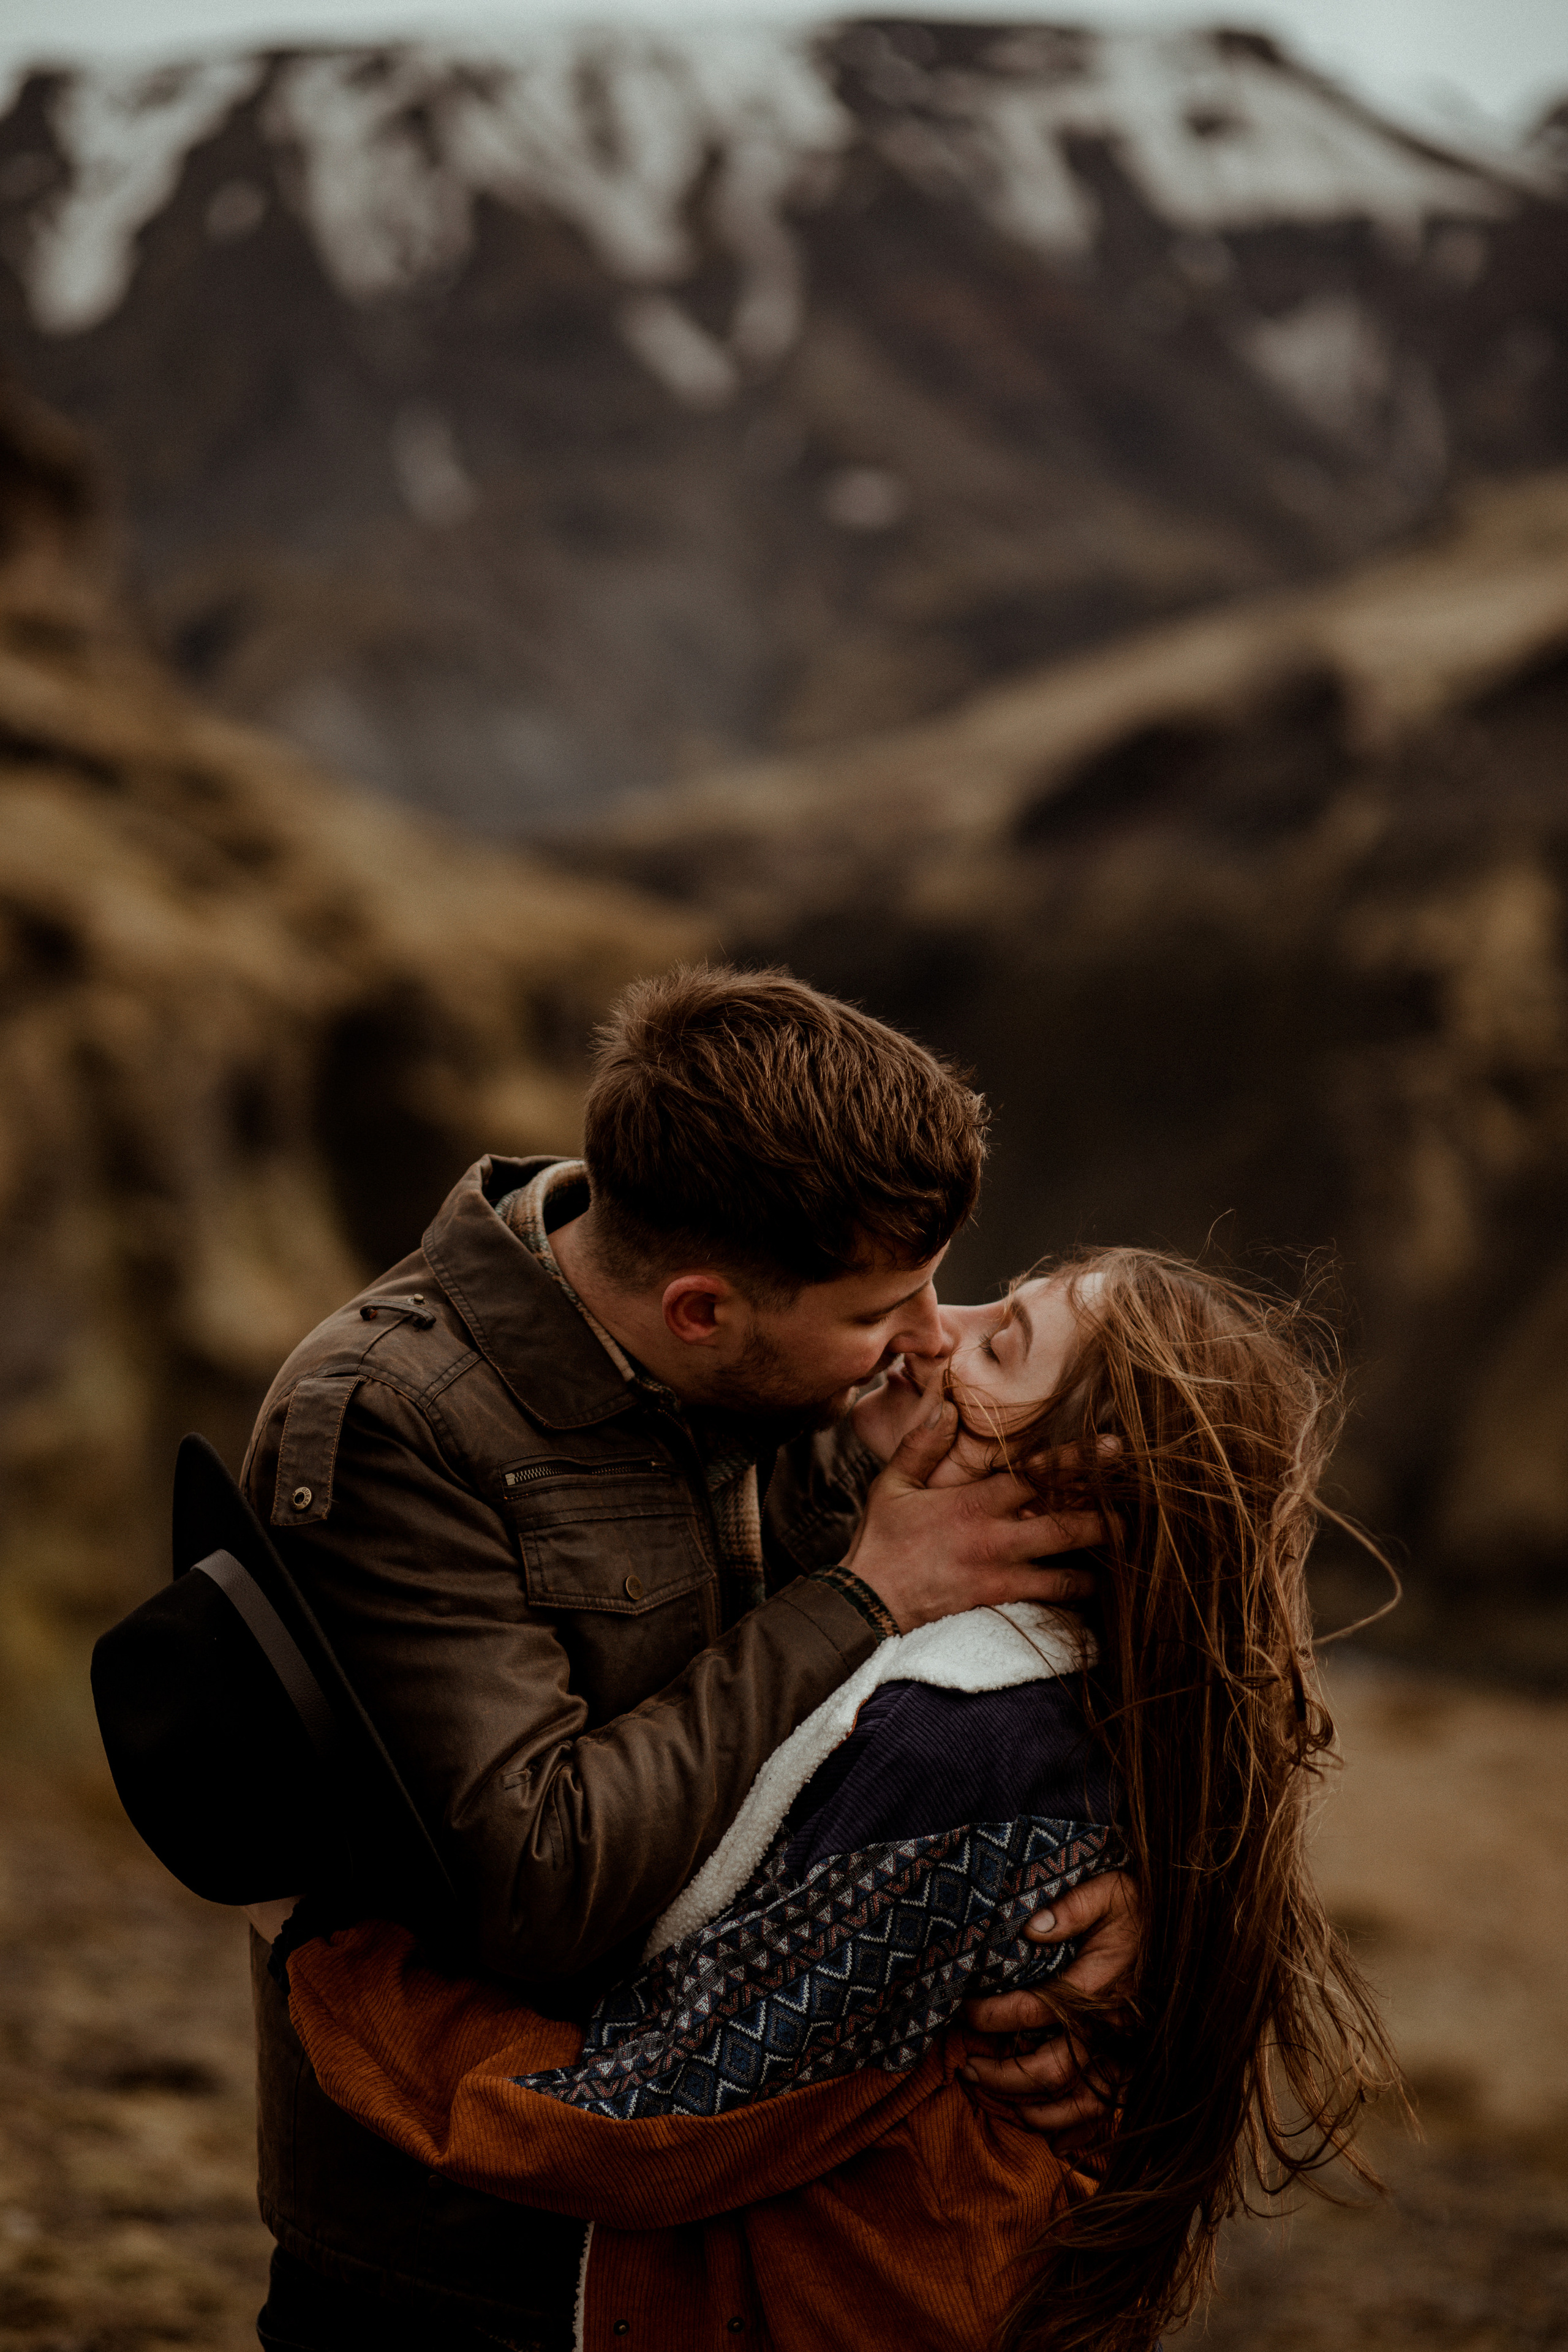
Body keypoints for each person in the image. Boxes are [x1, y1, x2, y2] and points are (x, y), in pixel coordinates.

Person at [270, 1244, 1400, 2352]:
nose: (931, 1331)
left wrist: (347, 1965)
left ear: (1076, 1481)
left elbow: (669, 2108)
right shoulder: (1054, 1694)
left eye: (999, 1343)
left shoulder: (959, 1746)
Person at [240, 966, 1137, 2352]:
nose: (923, 1342)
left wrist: (1121, 1913)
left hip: (749, 2236)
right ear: (702, 1311)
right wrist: (859, 1596)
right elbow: (540, 1890)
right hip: (465, 2258)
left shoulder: (799, 1359)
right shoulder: (388, 1426)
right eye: (881, 1307)